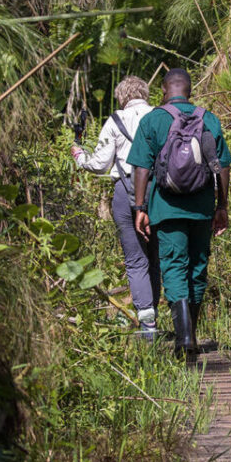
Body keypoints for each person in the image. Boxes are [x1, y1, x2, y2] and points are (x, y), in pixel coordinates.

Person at [127, 68, 231, 359]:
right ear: (190, 90)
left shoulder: (153, 120)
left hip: (166, 207)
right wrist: (222, 206)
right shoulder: (208, 118)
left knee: (173, 266)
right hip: (201, 207)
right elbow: (222, 166)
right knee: (197, 268)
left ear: (163, 90)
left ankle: (184, 339)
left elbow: (141, 168)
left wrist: (139, 208)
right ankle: (192, 335)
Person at [70, 75, 160, 340]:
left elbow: (100, 164)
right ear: (145, 93)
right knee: (155, 259)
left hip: (126, 191)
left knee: (135, 260)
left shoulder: (115, 120)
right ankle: (154, 312)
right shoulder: (161, 116)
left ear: (122, 97)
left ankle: (147, 326)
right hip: (158, 192)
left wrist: (79, 156)